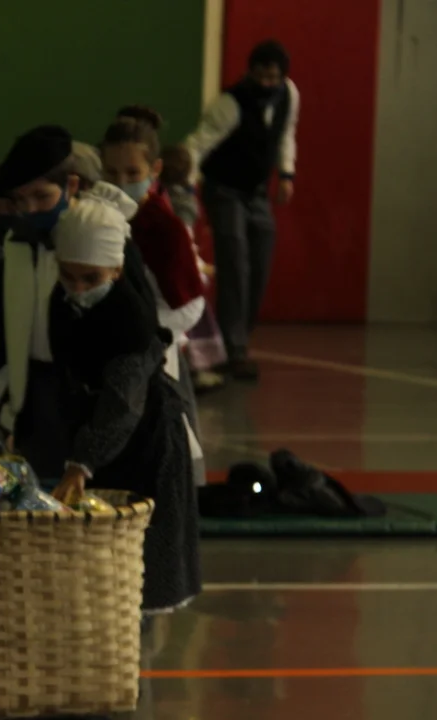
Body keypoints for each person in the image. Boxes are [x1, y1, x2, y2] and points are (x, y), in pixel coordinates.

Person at [0, 125, 153, 479]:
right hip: (33, 391)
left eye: (41, 196)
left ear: (71, 186)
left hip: (89, 392)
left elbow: (139, 334)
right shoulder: (16, 244)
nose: (30, 210)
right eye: (20, 200)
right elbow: (7, 323)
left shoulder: (104, 242)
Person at [48, 195, 201, 615]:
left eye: (90, 278)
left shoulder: (130, 320)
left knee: (140, 570)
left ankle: (136, 651)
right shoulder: (63, 302)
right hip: (101, 439)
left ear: (116, 270)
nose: (78, 288)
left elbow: (122, 405)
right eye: (68, 276)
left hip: (147, 441)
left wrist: (83, 462)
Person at [100, 106, 207, 488]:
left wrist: (144, 329)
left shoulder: (165, 228)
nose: (121, 182)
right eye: (111, 173)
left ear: (154, 170)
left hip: (157, 362)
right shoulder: (98, 219)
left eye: (133, 174)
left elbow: (191, 305)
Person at [185, 39, 299, 380]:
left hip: (257, 192)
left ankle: (239, 339)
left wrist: (286, 173)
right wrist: (185, 184)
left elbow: (286, 134)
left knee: (260, 263)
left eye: (273, 77)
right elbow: (198, 144)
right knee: (234, 264)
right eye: (260, 76)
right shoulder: (230, 103)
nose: (266, 83)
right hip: (224, 190)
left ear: (282, 77)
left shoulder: (289, 95)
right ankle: (233, 350)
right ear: (249, 72)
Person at [159, 144, 228, 393]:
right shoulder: (182, 204)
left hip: (173, 279)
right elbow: (184, 243)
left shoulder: (160, 199)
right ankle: (193, 372)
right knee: (190, 328)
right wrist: (199, 268)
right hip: (183, 282)